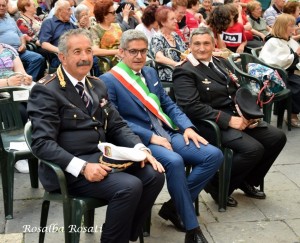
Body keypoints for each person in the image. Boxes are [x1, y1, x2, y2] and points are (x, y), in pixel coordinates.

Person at [27, 28, 165, 242]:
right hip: (68, 169)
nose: (85, 58)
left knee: (154, 175)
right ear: (62, 57)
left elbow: (117, 125)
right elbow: (42, 143)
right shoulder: (47, 90)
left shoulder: (97, 84)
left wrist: (141, 150)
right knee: (129, 187)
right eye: (77, 52)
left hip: (102, 158)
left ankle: (121, 234)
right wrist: (82, 168)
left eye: (89, 51)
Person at [101, 29, 223, 243]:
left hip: (167, 131)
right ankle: (192, 231)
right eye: (133, 52)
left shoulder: (150, 73)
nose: (139, 56)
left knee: (213, 155)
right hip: (140, 140)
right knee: (175, 161)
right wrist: (149, 136)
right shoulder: (109, 80)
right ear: (121, 52)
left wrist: (187, 127)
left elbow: (168, 104)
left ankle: (174, 208)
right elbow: (116, 120)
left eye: (143, 51)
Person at [173, 26, 287, 207]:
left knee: (276, 137)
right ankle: (218, 185)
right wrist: (229, 120)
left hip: (235, 116)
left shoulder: (220, 62)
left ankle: (245, 179)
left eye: (206, 43)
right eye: (197, 44)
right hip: (209, 123)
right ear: (190, 45)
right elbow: (190, 107)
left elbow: (236, 92)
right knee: (253, 149)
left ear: (213, 45)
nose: (201, 48)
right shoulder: (185, 71)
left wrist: (248, 115)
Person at [259, 14, 300, 128]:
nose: (294, 28)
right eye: (291, 26)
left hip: (288, 71)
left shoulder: (287, 39)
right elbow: (278, 62)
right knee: (298, 85)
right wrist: (296, 54)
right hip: (277, 76)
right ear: (282, 27)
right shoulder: (273, 42)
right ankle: (292, 115)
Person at [0, 43, 33, 173]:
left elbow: (21, 72)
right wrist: (7, 82)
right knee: (17, 111)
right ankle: (16, 153)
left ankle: (30, 146)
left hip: (14, 91)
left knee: (32, 105)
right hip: (3, 93)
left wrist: (25, 79)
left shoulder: (8, 49)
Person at [0, 0, 45, 81]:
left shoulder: (10, 19)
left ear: (6, 6)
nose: (1, 7)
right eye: (0, 5)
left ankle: (27, 82)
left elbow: (21, 35)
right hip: (4, 54)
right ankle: (20, 83)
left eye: (3, 5)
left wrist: (23, 45)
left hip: (19, 50)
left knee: (38, 58)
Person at [149, 6, 188, 82]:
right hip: (169, 75)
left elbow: (186, 52)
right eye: (172, 19)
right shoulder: (157, 37)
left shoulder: (175, 35)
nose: (176, 21)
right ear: (163, 22)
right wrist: (176, 64)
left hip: (182, 71)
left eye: (175, 18)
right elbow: (159, 57)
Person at [90, 0, 122, 72]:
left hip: (123, 58)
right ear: (104, 15)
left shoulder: (117, 26)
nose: (116, 14)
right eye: (113, 13)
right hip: (108, 63)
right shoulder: (95, 30)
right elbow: (95, 51)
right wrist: (116, 52)